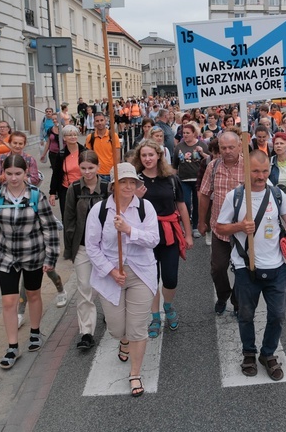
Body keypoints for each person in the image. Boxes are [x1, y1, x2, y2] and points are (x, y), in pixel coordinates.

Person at [216, 150, 286, 381]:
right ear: (247, 170)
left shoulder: (276, 194)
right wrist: (239, 227)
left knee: (277, 315)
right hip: (246, 267)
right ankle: (249, 352)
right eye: (255, 171)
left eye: (265, 171)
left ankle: (268, 353)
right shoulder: (235, 196)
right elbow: (220, 228)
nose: (260, 175)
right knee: (246, 314)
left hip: (276, 267)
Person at [0, 154, 60, 369]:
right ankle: (12, 346)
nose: (13, 178)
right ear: (4, 173)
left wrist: (51, 257)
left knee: (33, 294)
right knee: (9, 301)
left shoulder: (36, 196)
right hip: (6, 257)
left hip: (32, 254)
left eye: (18, 173)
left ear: (26, 173)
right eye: (9, 173)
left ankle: (34, 332)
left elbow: (49, 229)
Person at [85, 163, 160, 397]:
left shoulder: (145, 208)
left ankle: (135, 373)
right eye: (123, 182)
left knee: (138, 327)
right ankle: (123, 340)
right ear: (114, 186)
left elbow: (153, 240)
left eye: (132, 182)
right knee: (117, 328)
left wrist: (128, 229)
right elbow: (91, 246)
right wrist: (110, 271)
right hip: (111, 274)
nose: (128, 186)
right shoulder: (99, 210)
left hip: (140, 272)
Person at [132, 139, 193, 336]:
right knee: (151, 279)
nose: (148, 159)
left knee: (170, 278)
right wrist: (136, 198)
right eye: (144, 155)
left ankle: (168, 305)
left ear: (159, 155)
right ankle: (155, 317)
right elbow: (127, 210)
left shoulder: (171, 178)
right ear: (139, 158)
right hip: (145, 237)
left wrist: (188, 233)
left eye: (151, 154)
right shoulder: (135, 180)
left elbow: (182, 206)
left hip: (168, 234)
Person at [62, 150, 108, 349]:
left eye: (91, 168)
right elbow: (69, 219)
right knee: (85, 288)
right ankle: (87, 332)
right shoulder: (73, 188)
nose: (87, 172)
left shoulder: (107, 187)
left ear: (98, 167)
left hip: (106, 248)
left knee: (107, 286)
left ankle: (110, 315)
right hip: (82, 247)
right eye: (83, 168)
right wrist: (69, 248)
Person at [198, 131, 244, 315]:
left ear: (240, 147)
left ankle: (238, 301)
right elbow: (204, 195)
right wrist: (201, 222)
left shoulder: (249, 166)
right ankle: (223, 295)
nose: (227, 151)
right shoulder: (213, 166)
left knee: (244, 270)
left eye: (231, 147)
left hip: (243, 230)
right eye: (223, 148)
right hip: (219, 228)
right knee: (218, 268)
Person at [173, 123, 209, 238]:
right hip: (183, 179)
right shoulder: (179, 147)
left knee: (198, 203)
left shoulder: (202, 144)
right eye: (184, 133)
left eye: (188, 133)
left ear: (194, 134)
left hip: (199, 180)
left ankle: (195, 227)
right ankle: (187, 223)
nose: (185, 135)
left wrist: (201, 152)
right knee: (186, 202)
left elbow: (210, 160)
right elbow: (175, 165)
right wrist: (172, 181)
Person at [49, 125, 86, 216]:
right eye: (70, 135)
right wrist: (52, 193)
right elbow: (56, 174)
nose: (73, 137)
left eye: (75, 134)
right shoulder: (61, 154)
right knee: (67, 218)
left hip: (83, 189)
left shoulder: (85, 152)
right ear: (64, 138)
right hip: (66, 190)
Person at [85, 112, 120, 182]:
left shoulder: (113, 135)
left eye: (101, 120)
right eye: (97, 121)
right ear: (94, 123)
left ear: (105, 121)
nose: (100, 123)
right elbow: (89, 156)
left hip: (111, 173)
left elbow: (117, 156)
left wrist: (116, 172)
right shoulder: (90, 137)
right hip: (97, 173)